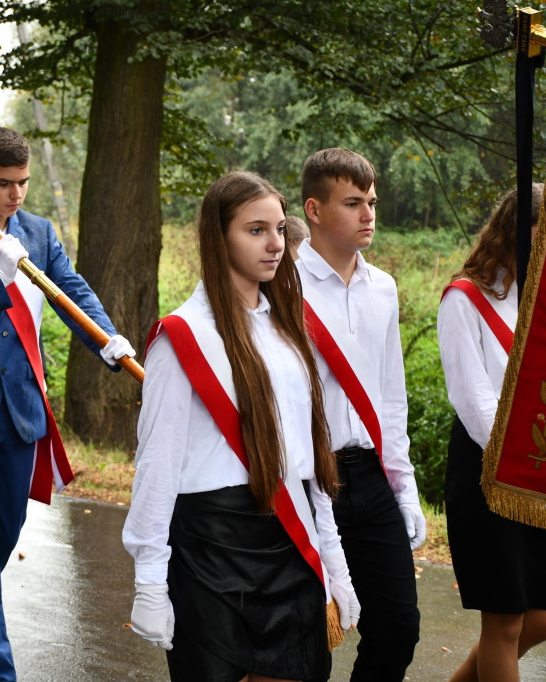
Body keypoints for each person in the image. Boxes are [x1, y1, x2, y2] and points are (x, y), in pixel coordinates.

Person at [123, 171, 358, 681]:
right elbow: (158, 462)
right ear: (218, 236)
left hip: (288, 540)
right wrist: (149, 582)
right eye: (255, 230)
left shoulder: (288, 331)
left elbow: (309, 456)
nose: (275, 244)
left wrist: (334, 560)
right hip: (211, 547)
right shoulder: (181, 337)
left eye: (278, 228)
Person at [0, 127, 136, 681]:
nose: (16, 195)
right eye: (3, 184)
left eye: (23, 183)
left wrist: (108, 340)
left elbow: (71, 289)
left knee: (2, 536)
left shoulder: (37, 232)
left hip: (20, 411)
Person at [297, 148, 423, 681]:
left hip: (369, 476)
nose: (369, 213)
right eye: (353, 202)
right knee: (309, 635)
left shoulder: (385, 288)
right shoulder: (281, 284)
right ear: (314, 210)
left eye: (371, 201)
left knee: (398, 627)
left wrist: (405, 485)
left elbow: (390, 394)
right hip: (304, 479)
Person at [439, 184, 546, 682]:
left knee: (539, 614)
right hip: (491, 472)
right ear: (518, 231)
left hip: (538, 471)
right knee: (504, 623)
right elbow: (473, 400)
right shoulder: (464, 298)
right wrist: (518, 461)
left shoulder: (540, 298)